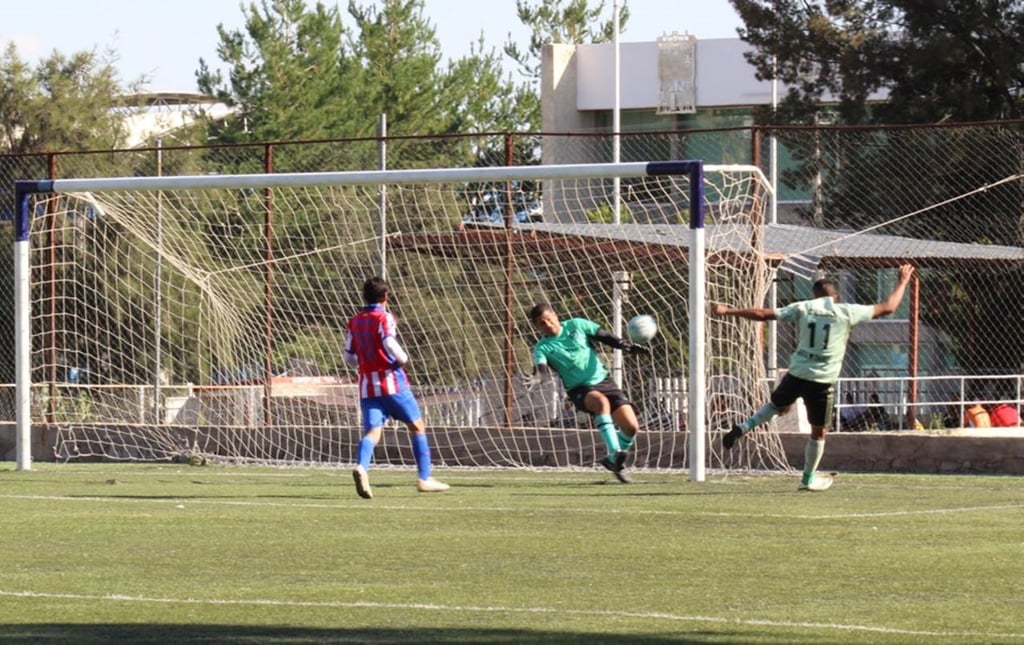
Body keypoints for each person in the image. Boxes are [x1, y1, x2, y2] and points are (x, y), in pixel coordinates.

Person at [712, 263, 915, 491]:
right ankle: (807, 479)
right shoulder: (846, 311)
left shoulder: (804, 307)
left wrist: (728, 311)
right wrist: (902, 281)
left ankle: (744, 426)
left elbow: (764, 314)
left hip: (798, 372)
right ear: (835, 297)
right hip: (822, 380)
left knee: (776, 405)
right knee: (819, 431)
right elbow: (888, 307)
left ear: (814, 295)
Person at [344, 277, 449, 499]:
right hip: (391, 382)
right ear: (386, 297)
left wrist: (362, 364)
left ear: (365, 297)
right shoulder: (384, 317)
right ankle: (424, 478)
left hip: (367, 386)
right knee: (417, 426)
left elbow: (348, 356)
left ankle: (362, 467)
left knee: (373, 431)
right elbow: (389, 343)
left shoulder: (354, 321)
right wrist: (403, 358)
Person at [526, 303, 650, 483]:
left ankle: (613, 462)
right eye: (542, 324)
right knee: (601, 403)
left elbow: (605, 336)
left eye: (549, 320)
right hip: (579, 389)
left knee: (631, 427)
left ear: (555, 316)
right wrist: (537, 377)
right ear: (537, 327)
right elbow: (542, 370)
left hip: (605, 382)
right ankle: (615, 452)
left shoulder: (577, 325)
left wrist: (626, 347)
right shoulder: (542, 348)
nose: (548, 325)